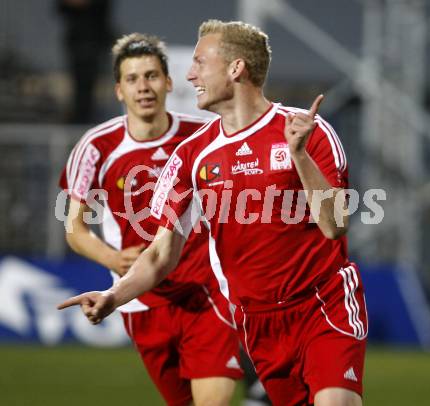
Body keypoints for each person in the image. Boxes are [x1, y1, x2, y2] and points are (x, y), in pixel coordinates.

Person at [58, 20, 368, 406]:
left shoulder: (308, 130)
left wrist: (299, 155)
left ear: (236, 68)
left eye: (200, 63)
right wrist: (114, 295)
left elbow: (335, 226)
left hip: (321, 305)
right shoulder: (191, 155)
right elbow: (159, 253)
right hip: (257, 322)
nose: (190, 75)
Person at [58, 32, 243, 406]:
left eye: (152, 76)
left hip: (205, 292)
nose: (143, 87)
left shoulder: (203, 136)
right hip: (142, 299)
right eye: (132, 79)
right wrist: (112, 260)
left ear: (169, 82)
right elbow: (74, 228)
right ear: (118, 91)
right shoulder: (95, 146)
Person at [56, 0, 114, 123]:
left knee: (94, 82)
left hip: (95, 39)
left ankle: (88, 116)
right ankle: (81, 115)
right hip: (78, 40)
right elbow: (61, 8)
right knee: (79, 82)